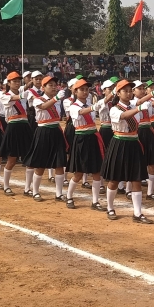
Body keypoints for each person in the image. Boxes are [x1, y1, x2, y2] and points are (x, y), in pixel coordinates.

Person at [100, 80, 154, 223]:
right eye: (125, 91)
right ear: (118, 93)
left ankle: (137, 213)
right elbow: (124, 116)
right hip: (119, 143)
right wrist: (139, 108)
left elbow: (136, 110)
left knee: (136, 179)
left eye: (131, 90)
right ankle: (110, 207)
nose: (129, 93)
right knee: (114, 179)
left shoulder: (134, 106)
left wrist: (142, 104)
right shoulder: (114, 109)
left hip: (134, 143)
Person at [25, 75, 69, 201]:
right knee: (40, 164)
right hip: (43, 131)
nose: (54, 87)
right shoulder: (38, 100)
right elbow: (44, 107)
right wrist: (56, 98)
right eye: (50, 85)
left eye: (55, 85)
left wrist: (56, 99)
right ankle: (35, 191)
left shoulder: (57, 100)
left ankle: (59, 194)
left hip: (56, 131)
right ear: (43, 88)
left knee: (59, 163)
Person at [64, 78, 105, 210]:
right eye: (82, 89)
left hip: (92, 138)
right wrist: (93, 107)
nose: (85, 92)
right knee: (79, 173)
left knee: (96, 171)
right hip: (81, 140)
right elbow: (81, 113)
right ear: (75, 91)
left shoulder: (89, 105)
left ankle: (95, 201)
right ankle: (69, 197)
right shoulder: (74, 106)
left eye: (87, 89)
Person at [0, 72, 33, 196]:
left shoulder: (22, 93)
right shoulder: (4, 96)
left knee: (29, 158)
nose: (17, 83)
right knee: (12, 158)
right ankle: (6, 186)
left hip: (25, 126)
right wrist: (23, 95)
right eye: (14, 81)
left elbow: (24, 90)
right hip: (13, 126)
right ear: (8, 83)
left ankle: (27, 188)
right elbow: (13, 98)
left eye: (18, 81)